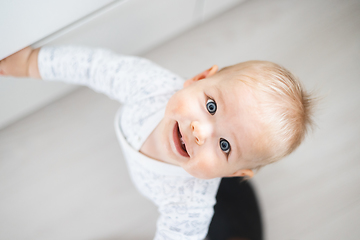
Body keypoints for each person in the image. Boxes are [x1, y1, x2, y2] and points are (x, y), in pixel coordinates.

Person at [0, 46, 313, 240]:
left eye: (225, 145)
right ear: (199, 79)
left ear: (233, 173)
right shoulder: (152, 88)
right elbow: (95, 66)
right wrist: (31, 62)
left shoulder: (190, 204)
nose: (200, 132)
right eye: (211, 107)